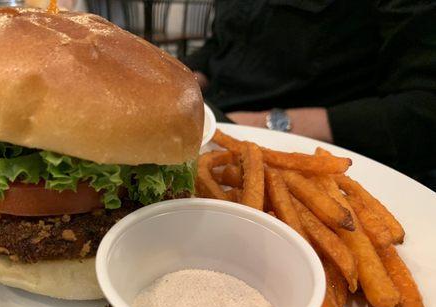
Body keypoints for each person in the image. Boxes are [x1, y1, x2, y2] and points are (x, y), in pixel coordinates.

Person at [185, 0, 436, 189]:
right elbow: (220, 45)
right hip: (206, 124)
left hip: (292, 162)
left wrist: (264, 124)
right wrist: (181, 84)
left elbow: (422, 109)